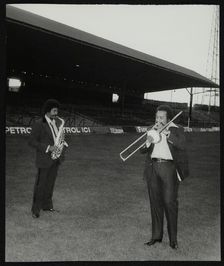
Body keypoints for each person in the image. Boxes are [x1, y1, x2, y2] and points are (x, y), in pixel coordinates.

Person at [140, 105, 189, 249]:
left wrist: (168, 134)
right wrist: (147, 142)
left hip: (169, 168)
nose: (158, 120)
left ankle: (173, 240)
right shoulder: (151, 128)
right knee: (155, 203)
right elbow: (143, 150)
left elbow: (182, 145)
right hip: (153, 167)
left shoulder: (176, 128)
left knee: (169, 202)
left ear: (168, 119)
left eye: (161, 117)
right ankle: (156, 236)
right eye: (157, 117)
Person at [28, 99, 68, 218]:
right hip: (44, 159)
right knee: (40, 185)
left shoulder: (58, 123)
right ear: (47, 111)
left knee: (50, 184)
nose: (57, 113)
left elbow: (59, 138)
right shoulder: (39, 123)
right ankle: (35, 210)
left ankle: (47, 205)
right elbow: (31, 141)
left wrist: (62, 144)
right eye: (54, 110)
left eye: (57, 110)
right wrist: (48, 147)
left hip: (56, 159)